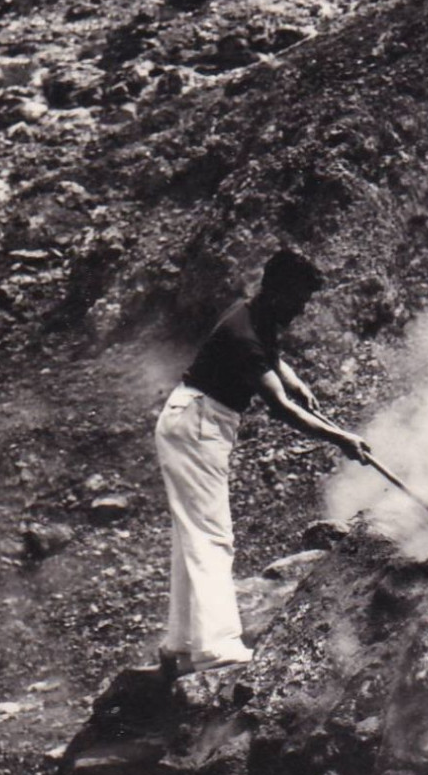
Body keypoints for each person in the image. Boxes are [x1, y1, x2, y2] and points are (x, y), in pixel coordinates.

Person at [154, 248, 370, 675]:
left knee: (192, 534)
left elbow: (272, 358)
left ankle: (180, 644)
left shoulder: (256, 314)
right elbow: (281, 410)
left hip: (197, 420)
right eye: (300, 299)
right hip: (198, 425)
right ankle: (217, 646)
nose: (303, 309)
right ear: (278, 291)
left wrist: (294, 379)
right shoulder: (244, 334)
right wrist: (341, 438)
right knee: (212, 535)